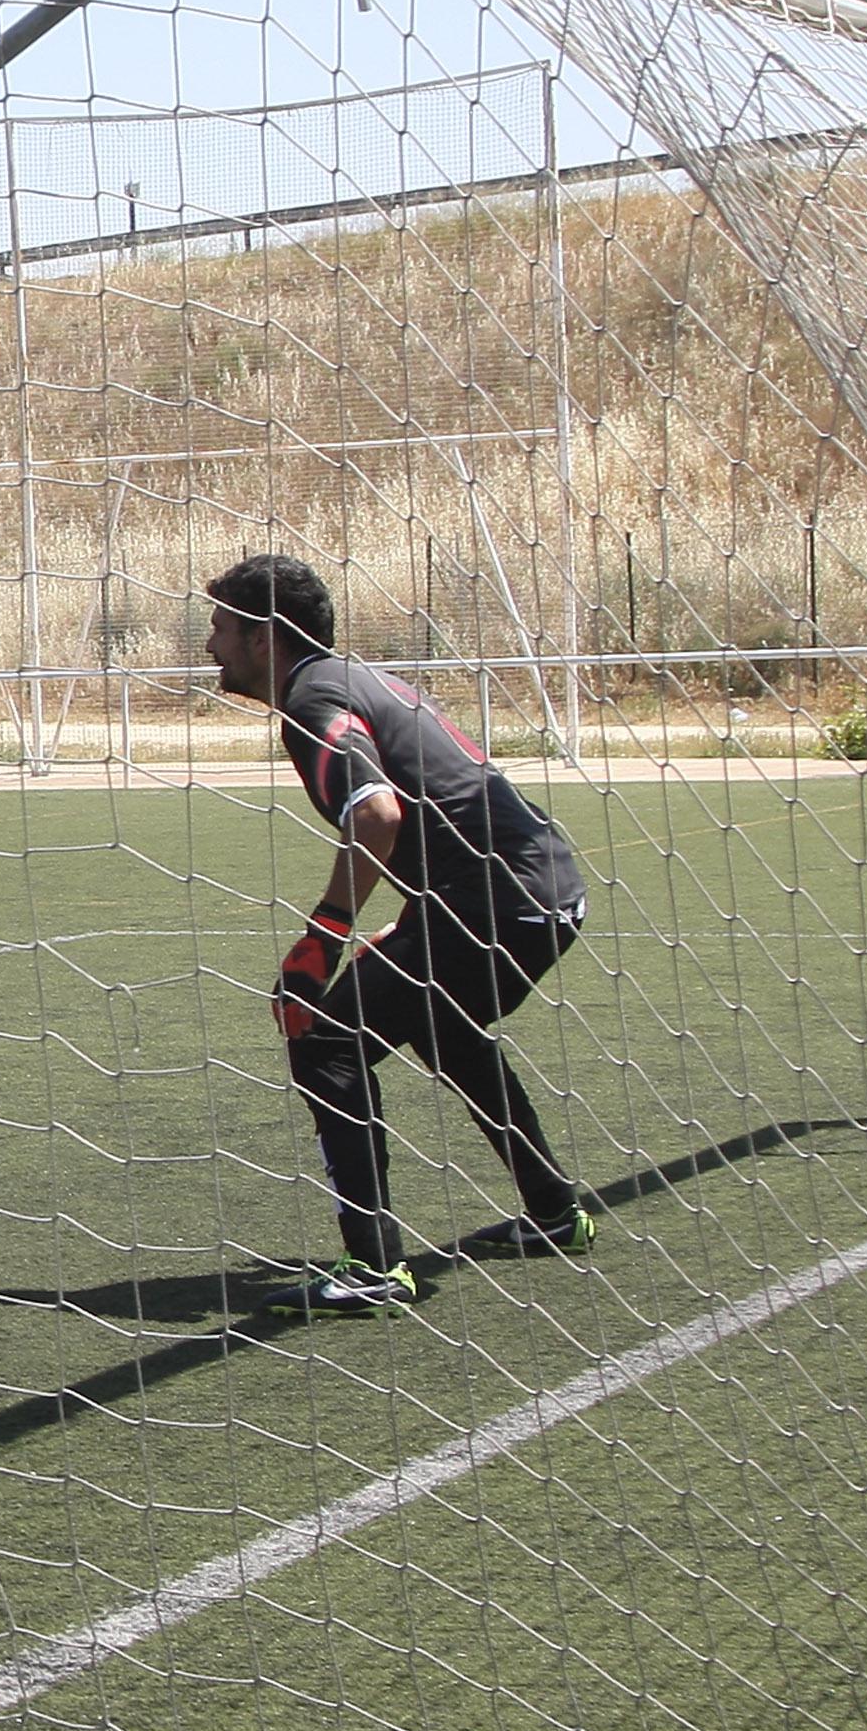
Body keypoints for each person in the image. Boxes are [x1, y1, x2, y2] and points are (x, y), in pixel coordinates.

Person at [205, 553, 594, 1316]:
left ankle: (375, 1265)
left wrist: (322, 939)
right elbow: (448, 805)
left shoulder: (313, 699)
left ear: (265, 638)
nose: (211, 644)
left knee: (323, 1038)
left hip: (494, 902)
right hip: (542, 891)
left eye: (222, 628)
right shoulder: (351, 678)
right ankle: (554, 1211)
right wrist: (421, 914)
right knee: (443, 1027)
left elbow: (380, 815)